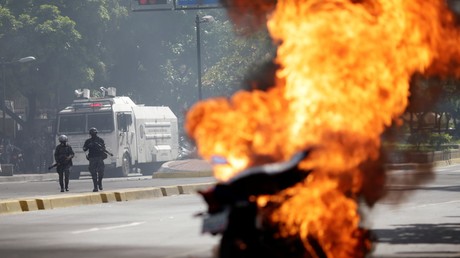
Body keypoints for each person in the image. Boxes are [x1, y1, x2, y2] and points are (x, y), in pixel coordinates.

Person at [83, 127, 106, 192]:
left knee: (101, 172)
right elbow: (84, 149)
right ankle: (95, 187)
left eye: (94, 133)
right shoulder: (88, 141)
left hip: (99, 157)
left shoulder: (100, 140)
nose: (93, 135)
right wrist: (89, 146)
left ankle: (100, 182)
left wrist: (100, 147)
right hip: (92, 158)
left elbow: (104, 148)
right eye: (92, 134)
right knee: (93, 173)